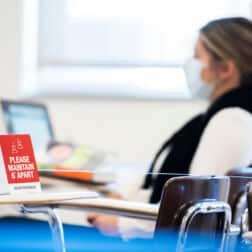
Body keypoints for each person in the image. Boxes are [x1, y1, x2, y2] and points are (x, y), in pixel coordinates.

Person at [87, 17, 252, 239]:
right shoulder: (217, 117)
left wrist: (122, 223)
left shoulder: (232, 120)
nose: (189, 64)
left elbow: (195, 210)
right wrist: (123, 197)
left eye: (197, 56)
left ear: (225, 69)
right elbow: (169, 180)